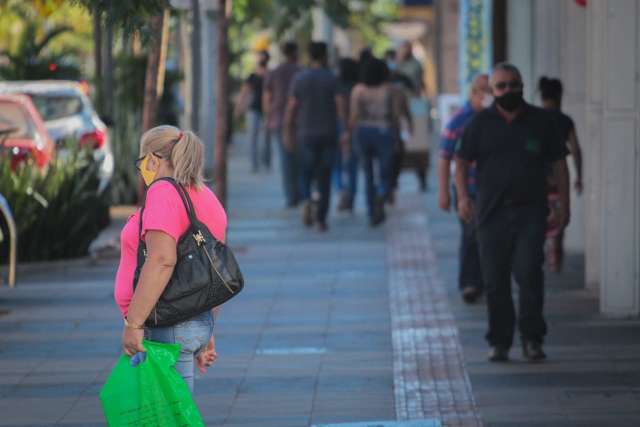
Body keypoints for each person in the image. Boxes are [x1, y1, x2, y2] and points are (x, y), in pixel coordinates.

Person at [455, 63, 570, 363]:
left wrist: (565, 208)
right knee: (494, 281)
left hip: (531, 214)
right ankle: (500, 341)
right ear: (491, 91)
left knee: (529, 275)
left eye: (512, 84)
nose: (507, 91)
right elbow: (461, 160)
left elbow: (559, 165)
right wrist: (463, 198)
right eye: (500, 86)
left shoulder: (542, 122)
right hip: (490, 216)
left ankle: (532, 338)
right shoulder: (480, 124)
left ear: (522, 85)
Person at [117, 125, 225, 390]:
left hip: (166, 324)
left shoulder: (163, 193)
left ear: (153, 159)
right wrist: (207, 330)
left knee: (166, 415)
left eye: (141, 162)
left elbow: (162, 260)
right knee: (167, 412)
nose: (141, 170)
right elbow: (213, 271)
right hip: (192, 321)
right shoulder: (205, 196)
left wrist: (134, 323)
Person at [438, 74, 491, 304]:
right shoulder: (459, 121)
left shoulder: (497, 118)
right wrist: (443, 192)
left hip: (494, 189)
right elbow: (444, 158)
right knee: (470, 235)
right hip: (467, 188)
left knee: (490, 236)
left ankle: (488, 281)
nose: (490, 96)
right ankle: (470, 283)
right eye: (486, 91)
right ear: (475, 93)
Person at [284, 41, 343, 232]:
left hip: (305, 134)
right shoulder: (332, 78)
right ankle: (321, 219)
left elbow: (292, 109)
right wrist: (346, 131)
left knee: (305, 173)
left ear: (310, 56)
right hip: (328, 134)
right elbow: (340, 106)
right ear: (325, 56)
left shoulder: (300, 79)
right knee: (324, 176)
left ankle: (308, 199)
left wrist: (287, 131)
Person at [344, 57, 401, 227]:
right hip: (384, 131)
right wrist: (397, 137)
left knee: (368, 174)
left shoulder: (358, 90)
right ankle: (382, 195)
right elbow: (395, 116)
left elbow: (353, 116)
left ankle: (371, 212)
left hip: (363, 132)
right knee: (385, 172)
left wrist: (348, 134)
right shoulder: (389, 90)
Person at [538, 76, 584, 273]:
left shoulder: (534, 118)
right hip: (558, 179)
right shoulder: (565, 120)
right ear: (559, 96)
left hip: (537, 180)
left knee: (538, 218)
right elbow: (576, 150)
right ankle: (556, 259)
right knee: (560, 217)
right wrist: (579, 176)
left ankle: (538, 255)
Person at [263, 42, 301, 207]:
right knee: (298, 159)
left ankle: (291, 196)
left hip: (278, 119)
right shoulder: (300, 71)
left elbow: (267, 97)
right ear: (295, 53)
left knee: (286, 159)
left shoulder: (275, 72)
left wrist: (267, 116)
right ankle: (300, 193)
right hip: (299, 120)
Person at [235, 50, 271, 173]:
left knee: (266, 138)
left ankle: (266, 163)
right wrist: (239, 107)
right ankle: (255, 164)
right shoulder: (253, 76)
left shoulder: (269, 75)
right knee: (254, 138)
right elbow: (244, 93)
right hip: (254, 110)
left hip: (267, 111)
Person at [333, 57, 360, 212]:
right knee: (353, 165)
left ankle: (340, 189)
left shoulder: (337, 85)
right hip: (356, 127)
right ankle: (351, 197)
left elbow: (340, 108)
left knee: (337, 162)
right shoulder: (358, 85)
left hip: (339, 126)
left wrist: (343, 128)